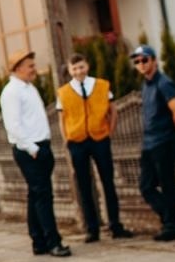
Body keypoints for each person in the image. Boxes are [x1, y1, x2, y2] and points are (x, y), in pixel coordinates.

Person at [0, 49, 70, 257]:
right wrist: (33, 149)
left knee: (35, 195)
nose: (34, 69)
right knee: (43, 196)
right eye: (30, 66)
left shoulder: (29, 88)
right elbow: (13, 125)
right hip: (29, 150)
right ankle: (53, 242)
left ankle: (38, 242)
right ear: (18, 68)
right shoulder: (12, 92)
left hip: (40, 147)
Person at [56, 51, 133, 242]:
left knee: (108, 182)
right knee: (84, 185)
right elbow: (61, 118)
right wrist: (67, 139)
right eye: (74, 68)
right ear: (70, 70)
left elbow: (112, 110)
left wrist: (110, 131)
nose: (78, 71)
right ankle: (92, 229)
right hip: (77, 141)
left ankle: (115, 225)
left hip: (100, 138)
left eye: (81, 66)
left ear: (87, 66)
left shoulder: (101, 85)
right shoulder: (63, 92)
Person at [130, 43, 175, 241]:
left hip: (164, 141)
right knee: (146, 186)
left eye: (145, 59)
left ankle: (171, 225)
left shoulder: (164, 83)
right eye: (137, 61)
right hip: (149, 143)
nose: (141, 64)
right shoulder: (145, 85)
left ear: (154, 61)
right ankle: (170, 219)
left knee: (167, 183)